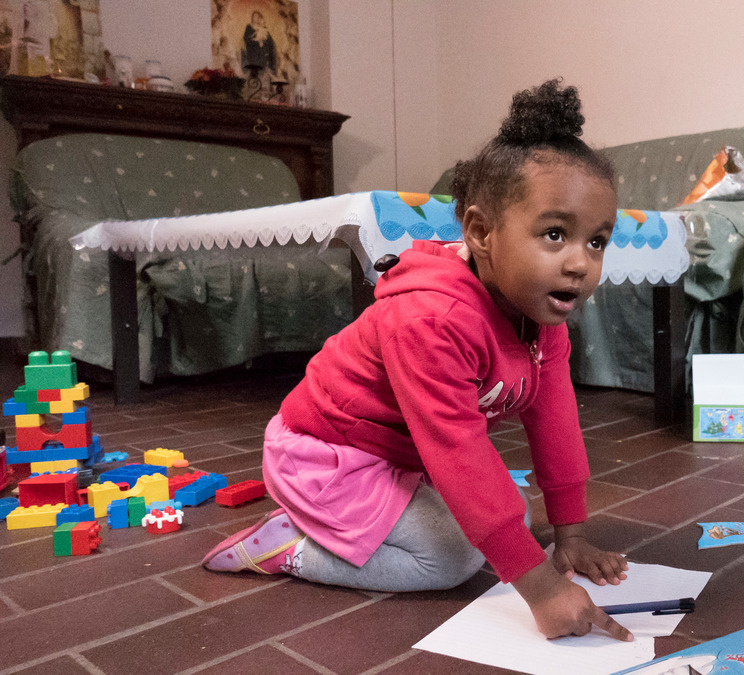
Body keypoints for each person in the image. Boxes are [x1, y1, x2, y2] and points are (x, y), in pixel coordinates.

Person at [202, 79, 634, 642]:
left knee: (518, 516)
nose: (580, 263)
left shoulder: (541, 316)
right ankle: (290, 546)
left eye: (596, 241)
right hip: (325, 455)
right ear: (481, 232)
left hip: (399, 458)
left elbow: (555, 422)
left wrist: (570, 536)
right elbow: (457, 450)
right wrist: (544, 591)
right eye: (555, 234)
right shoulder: (431, 319)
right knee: (451, 560)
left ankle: (346, 527)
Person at [241, 10, 276, 75]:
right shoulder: (249, 27)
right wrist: (257, 41)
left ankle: (271, 66)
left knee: (272, 45)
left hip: (262, 50)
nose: (256, 18)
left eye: (257, 17)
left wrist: (263, 43)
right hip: (252, 50)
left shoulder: (263, 28)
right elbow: (246, 38)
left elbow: (269, 41)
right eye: (254, 16)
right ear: (252, 18)